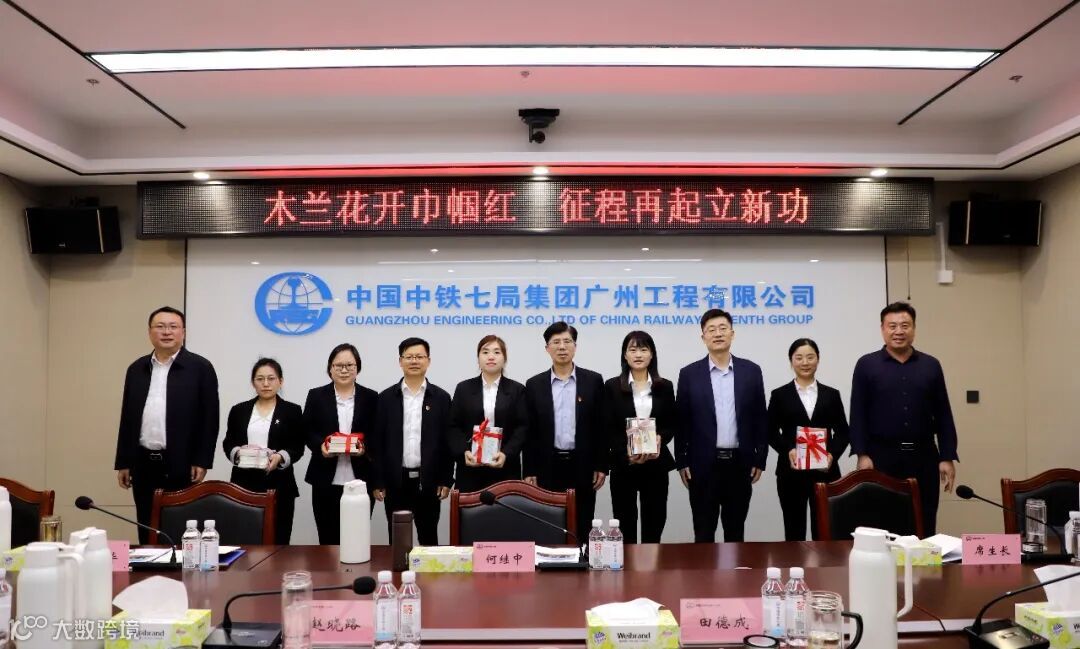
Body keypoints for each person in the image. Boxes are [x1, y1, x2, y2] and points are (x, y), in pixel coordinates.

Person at [849, 302, 958, 536]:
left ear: (914, 329)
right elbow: (857, 413)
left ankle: (923, 562)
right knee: (882, 524)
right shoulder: (866, 365)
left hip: (924, 456)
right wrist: (862, 454)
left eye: (905, 325)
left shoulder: (931, 365)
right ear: (882, 329)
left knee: (924, 521)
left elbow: (943, 413)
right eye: (892, 326)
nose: (899, 331)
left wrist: (947, 456)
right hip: (881, 457)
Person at [114, 306, 220, 544]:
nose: (167, 332)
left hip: (181, 462)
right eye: (160, 326)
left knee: (179, 526)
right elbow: (127, 418)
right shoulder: (136, 369)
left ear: (183, 332)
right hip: (142, 462)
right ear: (149, 332)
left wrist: (202, 460)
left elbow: (210, 418)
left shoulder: (200, 368)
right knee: (146, 526)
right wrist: (124, 461)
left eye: (173, 327)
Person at [675, 308, 768, 543]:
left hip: (740, 464)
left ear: (732, 334)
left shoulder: (751, 371)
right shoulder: (689, 374)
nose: (717, 334)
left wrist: (760, 458)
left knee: (735, 533)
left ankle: (734, 570)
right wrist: (682, 461)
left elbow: (760, 417)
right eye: (711, 330)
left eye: (723, 328)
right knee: (703, 532)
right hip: (702, 465)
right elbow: (682, 420)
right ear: (703, 337)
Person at [524, 321, 607, 541]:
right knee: (548, 524)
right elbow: (530, 432)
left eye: (567, 341)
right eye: (556, 342)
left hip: (583, 464)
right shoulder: (534, 385)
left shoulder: (593, 381)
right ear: (547, 348)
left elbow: (601, 426)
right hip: (547, 465)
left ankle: (582, 559)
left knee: (583, 522)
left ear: (575, 346)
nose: (562, 347)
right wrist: (529, 469)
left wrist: (601, 465)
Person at [370, 337, 453, 546]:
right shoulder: (386, 398)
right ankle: (399, 569)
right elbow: (377, 443)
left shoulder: (441, 398)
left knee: (429, 539)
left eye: (419, 356)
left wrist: (445, 479)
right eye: (409, 357)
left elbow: (447, 443)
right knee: (398, 541)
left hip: (429, 482)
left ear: (428, 361)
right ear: (400, 361)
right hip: (395, 482)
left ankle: (428, 570)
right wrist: (378, 480)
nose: (414, 361)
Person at [767, 339, 850, 541]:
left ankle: (822, 564)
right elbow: (769, 431)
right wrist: (788, 450)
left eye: (810, 357)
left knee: (824, 531)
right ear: (791, 361)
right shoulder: (779, 395)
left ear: (818, 359)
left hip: (825, 472)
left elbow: (843, 432)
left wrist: (832, 455)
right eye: (799, 358)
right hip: (791, 473)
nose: (805, 362)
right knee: (793, 531)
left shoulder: (832, 394)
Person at [302, 343, 379, 545]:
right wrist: (320, 446)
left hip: (361, 480)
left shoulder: (371, 397)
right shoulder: (316, 395)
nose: (344, 370)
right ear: (330, 368)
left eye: (349, 365)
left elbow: (377, 433)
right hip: (324, 478)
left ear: (357, 368)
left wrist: (364, 448)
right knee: (327, 539)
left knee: (357, 538)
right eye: (338, 366)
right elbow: (307, 430)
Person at [221, 358, 305, 544]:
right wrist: (238, 453)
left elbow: (297, 446)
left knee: (279, 541)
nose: (266, 383)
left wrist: (280, 457)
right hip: (243, 484)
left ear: (280, 381)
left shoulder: (292, 411)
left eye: (271, 378)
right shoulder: (239, 410)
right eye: (260, 379)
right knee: (245, 539)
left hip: (280, 486)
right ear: (253, 382)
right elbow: (228, 442)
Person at [604, 331, 676, 544]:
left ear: (652, 354)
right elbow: (607, 427)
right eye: (633, 349)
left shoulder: (665, 386)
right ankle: (627, 565)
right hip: (623, 465)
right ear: (625, 355)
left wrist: (660, 438)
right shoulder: (612, 386)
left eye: (643, 349)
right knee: (624, 524)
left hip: (656, 465)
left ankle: (651, 565)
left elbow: (671, 424)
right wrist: (624, 449)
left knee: (654, 524)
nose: (638, 354)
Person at [449, 335, 529, 493]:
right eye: (485, 352)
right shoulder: (463, 389)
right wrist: (464, 451)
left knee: (505, 509)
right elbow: (453, 426)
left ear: (504, 359)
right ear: (478, 359)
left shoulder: (517, 390)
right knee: (470, 509)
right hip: (470, 468)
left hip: (505, 467)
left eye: (497, 352)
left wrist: (506, 454)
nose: (491, 357)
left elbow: (523, 427)